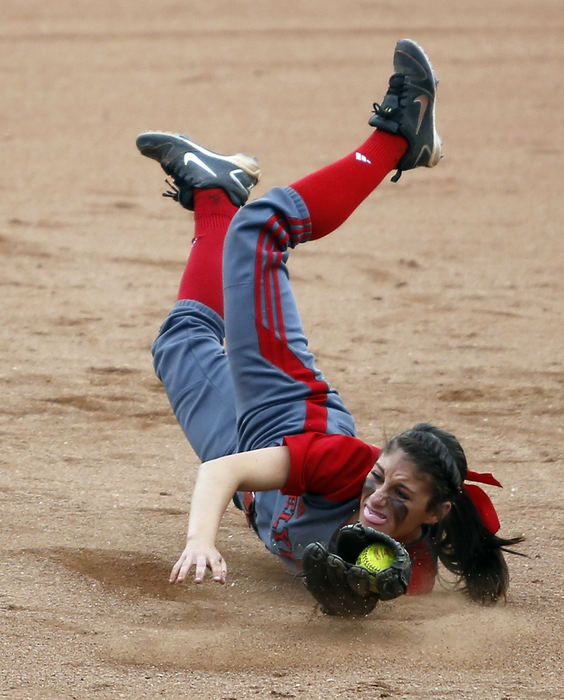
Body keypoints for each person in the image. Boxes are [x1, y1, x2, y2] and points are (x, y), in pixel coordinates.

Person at [136, 39, 522, 608]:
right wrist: (201, 542)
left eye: (399, 493)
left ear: (436, 514)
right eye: (382, 477)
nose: (378, 493)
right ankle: (399, 136)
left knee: (179, 342)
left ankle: (215, 192)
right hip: (287, 410)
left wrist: (357, 594)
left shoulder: (401, 566)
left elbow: (381, 590)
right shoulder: (347, 465)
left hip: (252, 473)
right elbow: (220, 473)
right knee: (261, 230)